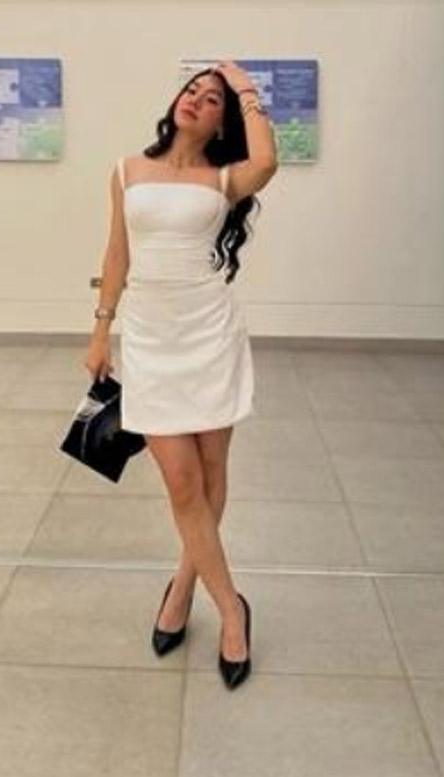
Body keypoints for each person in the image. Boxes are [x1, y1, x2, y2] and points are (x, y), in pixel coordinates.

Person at [85, 60, 278, 689]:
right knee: (180, 481)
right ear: (175, 102)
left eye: (212, 98)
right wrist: (100, 329)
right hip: (150, 338)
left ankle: (183, 586)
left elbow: (267, 161)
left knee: (211, 474)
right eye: (192, 90)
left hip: (210, 334)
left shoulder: (224, 177)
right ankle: (231, 608)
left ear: (223, 121)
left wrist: (242, 84)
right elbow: (117, 253)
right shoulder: (125, 170)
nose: (197, 99)